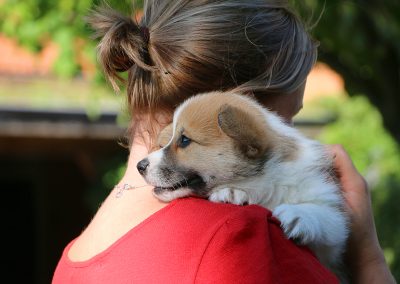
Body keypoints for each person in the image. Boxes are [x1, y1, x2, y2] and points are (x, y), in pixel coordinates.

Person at [52, 1, 395, 283]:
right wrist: (368, 258)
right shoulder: (244, 243)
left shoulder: (74, 259)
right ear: (241, 112)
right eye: (285, 121)